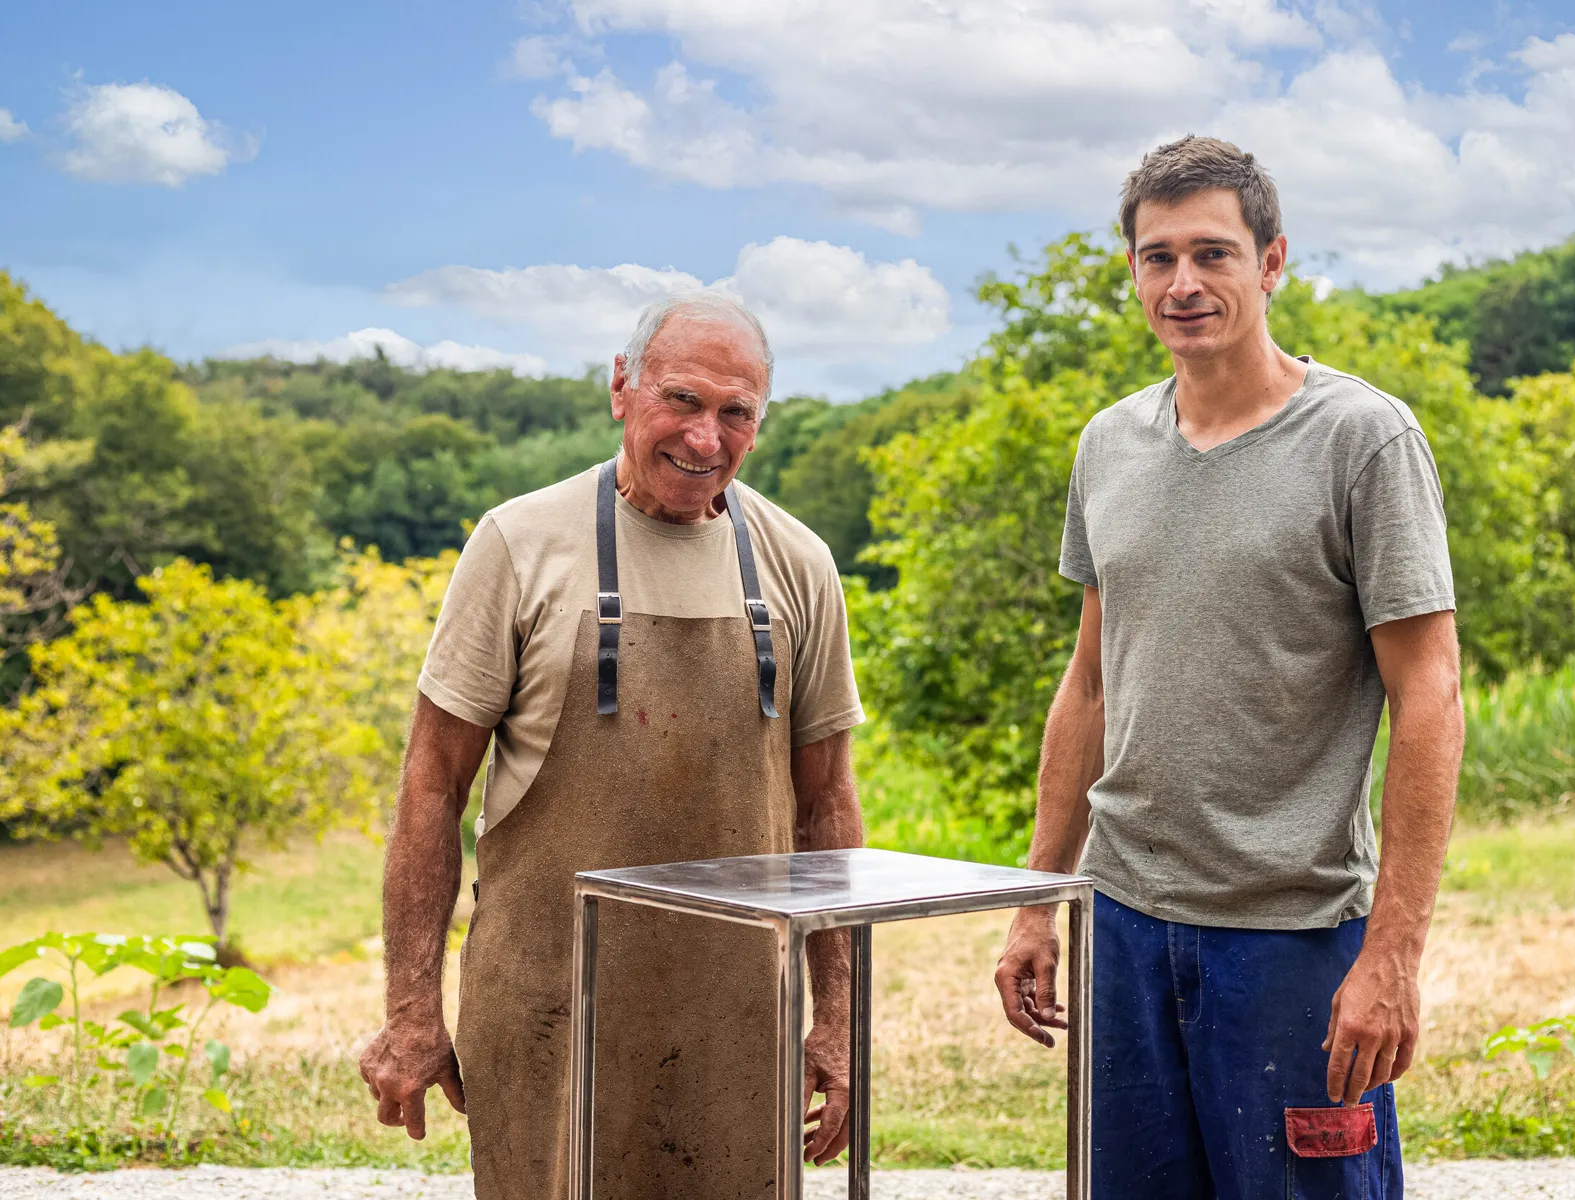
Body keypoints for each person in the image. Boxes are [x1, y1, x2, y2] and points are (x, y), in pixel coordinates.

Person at [994, 136, 1464, 1198]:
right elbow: (1091, 685)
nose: (1185, 283)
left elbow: (1429, 696)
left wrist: (1390, 955)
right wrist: (1040, 898)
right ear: (1133, 274)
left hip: (1292, 939)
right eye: (1158, 258)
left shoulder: (1363, 441)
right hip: (1120, 921)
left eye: (1213, 253)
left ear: (1273, 261)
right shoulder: (1108, 446)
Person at [358, 292, 868, 1200]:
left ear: (760, 422)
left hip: (737, 1009)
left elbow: (827, 804)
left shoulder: (800, 564)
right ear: (622, 390)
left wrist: (839, 1017)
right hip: (549, 1000)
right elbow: (431, 786)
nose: (705, 439)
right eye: (682, 400)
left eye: (735, 412)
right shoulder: (518, 543)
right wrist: (410, 1010)